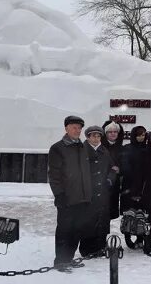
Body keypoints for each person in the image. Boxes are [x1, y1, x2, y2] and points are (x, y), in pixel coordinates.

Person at [48, 116, 89, 271]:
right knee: (65, 230)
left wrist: (88, 195)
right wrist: (59, 195)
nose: (77, 131)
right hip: (66, 198)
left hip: (82, 198)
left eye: (79, 128)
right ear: (66, 128)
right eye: (74, 127)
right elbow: (54, 175)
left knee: (77, 230)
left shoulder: (82, 147)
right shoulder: (57, 148)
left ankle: (69, 258)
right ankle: (60, 260)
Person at [80, 125, 118, 257]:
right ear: (88, 137)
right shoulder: (81, 150)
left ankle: (100, 247)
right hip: (87, 193)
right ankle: (86, 249)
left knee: (102, 221)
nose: (96, 138)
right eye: (93, 136)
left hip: (103, 192)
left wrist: (109, 180)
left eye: (98, 136)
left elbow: (113, 168)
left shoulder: (104, 151)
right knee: (87, 221)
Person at [119, 125, 148, 250]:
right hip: (129, 185)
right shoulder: (127, 148)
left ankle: (140, 238)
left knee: (141, 214)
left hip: (143, 185)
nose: (141, 137)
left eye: (143, 135)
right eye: (138, 135)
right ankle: (127, 237)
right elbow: (124, 166)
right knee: (129, 213)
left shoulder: (147, 149)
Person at [102, 121, 124, 220]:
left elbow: (126, 165)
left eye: (115, 131)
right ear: (105, 133)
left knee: (111, 213)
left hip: (115, 185)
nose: (113, 134)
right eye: (110, 132)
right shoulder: (101, 147)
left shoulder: (121, 148)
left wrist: (120, 169)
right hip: (102, 184)